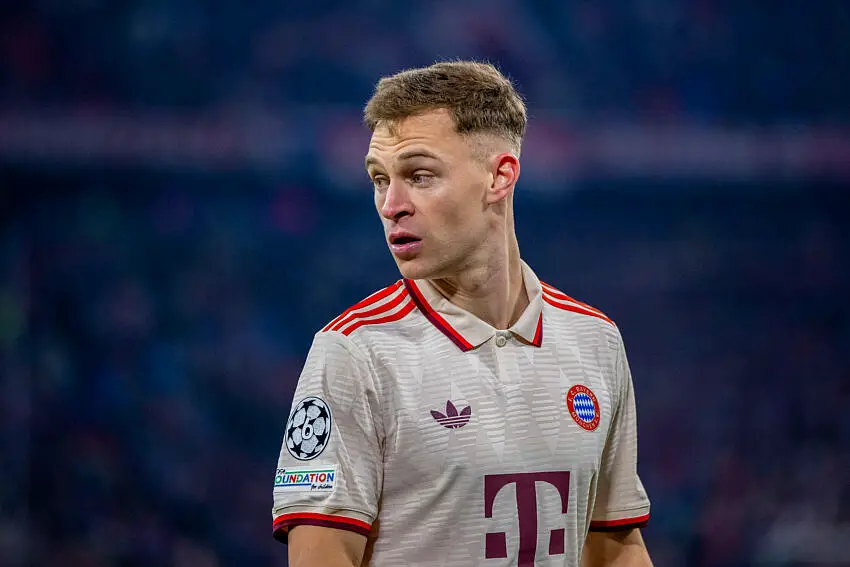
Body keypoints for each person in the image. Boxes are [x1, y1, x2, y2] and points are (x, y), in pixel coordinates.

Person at [271, 60, 652, 567]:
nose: (391, 204)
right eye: (380, 179)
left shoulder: (595, 340)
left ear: (499, 176)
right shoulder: (355, 353)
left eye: (420, 176)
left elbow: (614, 547)